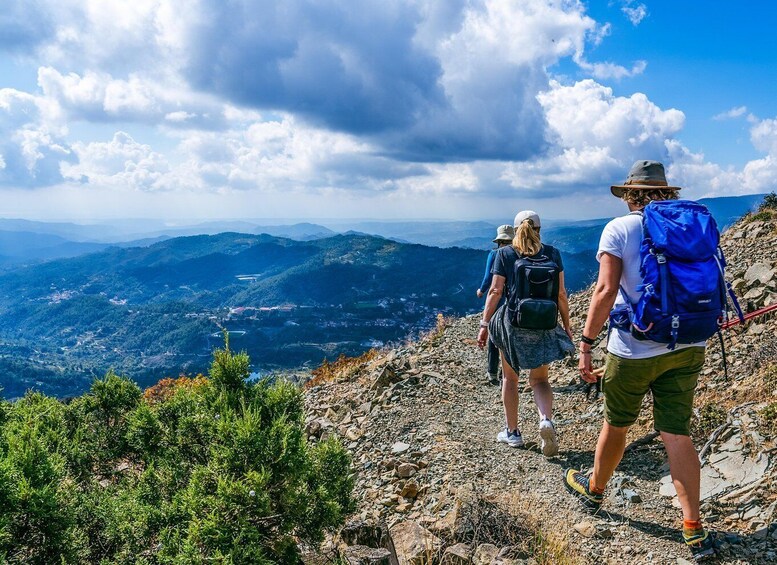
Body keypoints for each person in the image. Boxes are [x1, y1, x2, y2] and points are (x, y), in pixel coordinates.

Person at [562, 160, 716, 562]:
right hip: (688, 343)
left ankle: (594, 491)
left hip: (633, 348)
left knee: (616, 424)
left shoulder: (621, 228)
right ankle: (693, 527)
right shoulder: (691, 226)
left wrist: (585, 342)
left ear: (630, 194)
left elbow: (605, 290)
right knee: (677, 433)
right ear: (667, 192)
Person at [477, 210, 574, 457]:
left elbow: (495, 291)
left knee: (510, 378)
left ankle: (513, 432)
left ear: (515, 228)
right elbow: (561, 294)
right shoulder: (552, 253)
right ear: (540, 229)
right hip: (544, 324)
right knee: (540, 380)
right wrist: (566, 325)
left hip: (512, 324)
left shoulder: (505, 253)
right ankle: (545, 420)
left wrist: (485, 324)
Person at [477, 224, 515, 385]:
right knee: (509, 336)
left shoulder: (494, 254)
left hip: (498, 301)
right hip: (514, 301)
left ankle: (493, 373)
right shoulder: (518, 253)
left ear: (498, 240)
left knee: (494, 336)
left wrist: (481, 290)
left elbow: (489, 278)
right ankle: (508, 372)